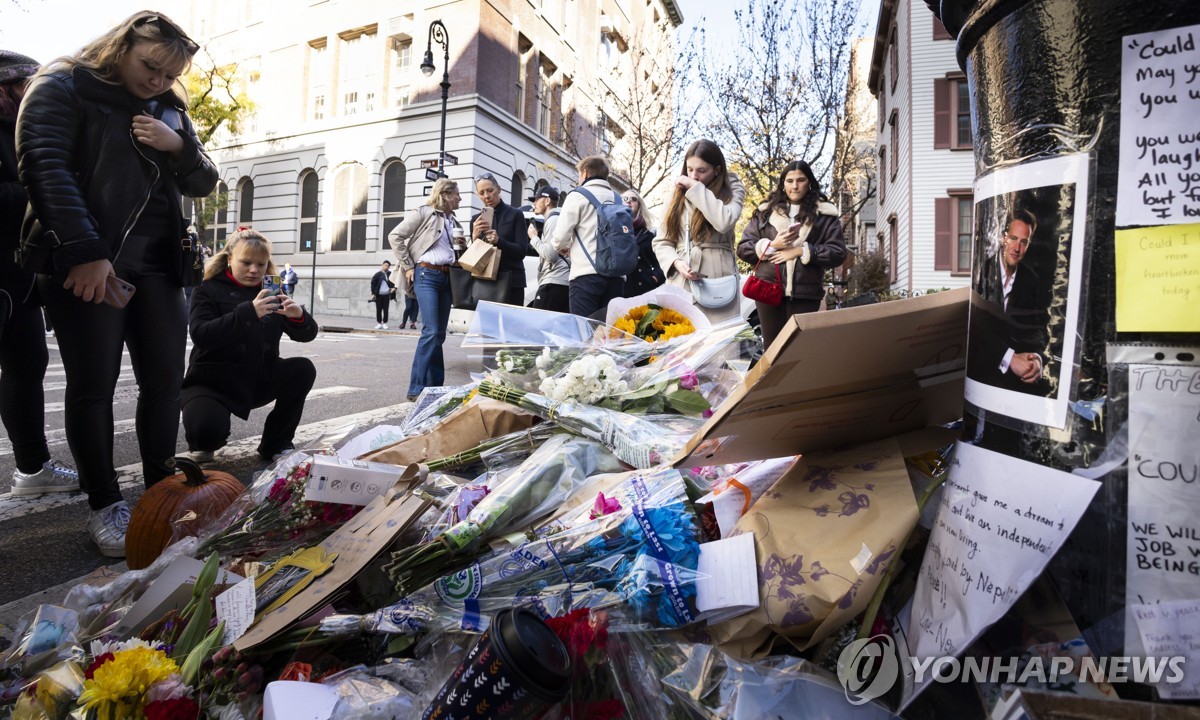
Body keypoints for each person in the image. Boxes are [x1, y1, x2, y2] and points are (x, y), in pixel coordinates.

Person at [16, 12, 217, 557]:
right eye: (150, 65)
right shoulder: (63, 82)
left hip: (159, 262)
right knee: (92, 385)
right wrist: (84, 251)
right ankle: (105, 504)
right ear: (121, 44)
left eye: (169, 73)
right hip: (89, 259)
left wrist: (178, 147)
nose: (157, 80)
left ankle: (160, 491)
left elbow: (202, 180)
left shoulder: (170, 106)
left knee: (164, 382)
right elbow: (44, 166)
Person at [1, 50, 80, 497]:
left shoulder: (27, 128)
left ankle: (33, 469)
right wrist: (42, 187)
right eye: (27, 87)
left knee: (27, 366)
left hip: (20, 278)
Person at [181, 228, 318, 464]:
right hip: (212, 381)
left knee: (302, 369)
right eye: (246, 262)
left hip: (258, 377)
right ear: (229, 259)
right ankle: (204, 438)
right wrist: (249, 312)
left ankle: (277, 442)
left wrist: (299, 317)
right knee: (206, 434)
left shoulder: (272, 291)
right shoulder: (207, 288)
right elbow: (201, 334)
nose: (254, 270)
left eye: (261, 264)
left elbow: (306, 336)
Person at [737, 160, 847, 350]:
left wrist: (802, 251)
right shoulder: (765, 213)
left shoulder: (825, 215)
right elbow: (743, 248)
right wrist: (772, 245)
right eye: (789, 181)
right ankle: (772, 381)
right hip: (768, 291)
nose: (794, 186)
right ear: (783, 183)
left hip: (806, 293)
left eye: (800, 180)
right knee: (772, 349)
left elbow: (838, 252)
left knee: (799, 350)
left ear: (809, 183)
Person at [652, 139, 746, 322]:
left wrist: (696, 189)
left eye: (702, 171)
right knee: (682, 344)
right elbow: (662, 241)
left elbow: (724, 221)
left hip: (719, 281)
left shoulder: (733, 188)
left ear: (717, 169)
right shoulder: (676, 194)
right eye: (690, 169)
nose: (694, 176)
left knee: (719, 347)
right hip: (682, 280)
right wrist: (676, 263)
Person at [389, 177, 463, 401]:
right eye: (457, 194)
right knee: (430, 331)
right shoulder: (424, 213)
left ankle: (435, 386)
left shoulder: (454, 222)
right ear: (446, 195)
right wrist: (408, 265)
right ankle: (416, 387)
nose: (459, 198)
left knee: (439, 334)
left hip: (447, 277)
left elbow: (457, 251)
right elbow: (395, 236)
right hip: (426, 275)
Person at [968, 208, 1049, 393]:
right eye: (1013, 238)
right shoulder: (982, 270)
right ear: (1004, 238)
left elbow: (1037, 328)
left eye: (1024, 242)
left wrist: (1037, 358)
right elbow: (976, 327)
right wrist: (1010, 358)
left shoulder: (1031, 279)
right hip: (983, 377)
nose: (1017, 248)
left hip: (1017, 383)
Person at [550, 156, 626, 317]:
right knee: (609, 333)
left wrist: (564, 248)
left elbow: (560, 238)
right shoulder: (619, 200)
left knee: (584, 331)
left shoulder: (577, 196)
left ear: (584, 173)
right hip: (617, 277)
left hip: (586, 275)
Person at [470, 172, 530, 306]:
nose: (486, 196)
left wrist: (499, 241)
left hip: (512, 281)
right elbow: (473, 259)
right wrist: (475, 238)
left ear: (499, 189)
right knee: (486, 326)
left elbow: (522, 251)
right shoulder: (476, 220)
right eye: (482, 193)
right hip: (485, 281)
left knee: (511, 325)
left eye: (490, 190)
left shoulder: (516, 214)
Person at [526, 186, 570, 313]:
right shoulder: (558, 219)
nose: (534, 203)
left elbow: (551, 255)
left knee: (538, 324)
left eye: (536, 199)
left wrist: (534, 238)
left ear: (547, 201)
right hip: (560, 281)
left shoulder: (553, 220)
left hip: (554, 280)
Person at [620, 188, 665, 298]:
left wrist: (655, 278)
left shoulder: (649, 234)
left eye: (633, 199)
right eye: (625, 199)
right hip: (619, 287)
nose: (629, 201)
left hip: (643, 288)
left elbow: (661, 262)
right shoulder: (614, 229)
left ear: (639, 205)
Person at [371, 259, 395, 329]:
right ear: (382, 265)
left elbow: (394, 282)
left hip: (386, 294)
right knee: (378, 309)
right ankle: (379, 322)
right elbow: (373, 283)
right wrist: (373, 293)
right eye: (385, 265)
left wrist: (394, 288)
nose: (386, 267)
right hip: (379, 294)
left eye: (388, 266)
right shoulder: (378, 274)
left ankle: (384, 322)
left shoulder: (390, 274)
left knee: (385, 309)